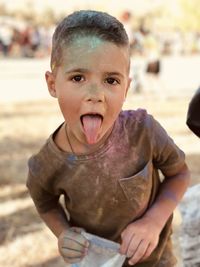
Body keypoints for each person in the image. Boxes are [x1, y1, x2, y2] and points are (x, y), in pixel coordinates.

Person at [26, 10, 190, 267]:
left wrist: (153, 221)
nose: (96, 94)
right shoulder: (45, 164)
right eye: (78, 78)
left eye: (111, 80)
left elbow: (179, 174)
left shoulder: (143, 131)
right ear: (52, 83)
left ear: (126, 88)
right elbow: (45, 202)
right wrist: (63, 233)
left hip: (156, 261)